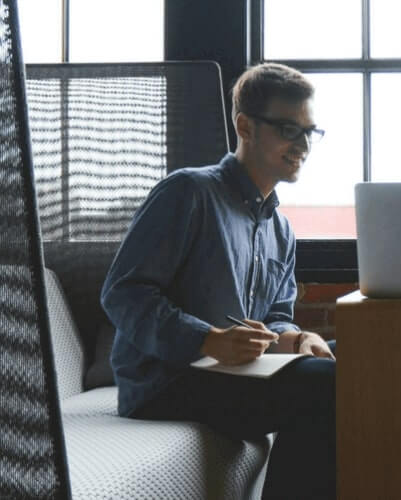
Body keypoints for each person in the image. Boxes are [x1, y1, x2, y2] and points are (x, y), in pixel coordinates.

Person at [100, 62, 336, 500]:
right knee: (325, 384)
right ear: (245, 126)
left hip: (233, 376)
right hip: (166, 383)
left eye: (310, 132)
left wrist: (295, 337)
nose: (303, 144)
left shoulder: (280, 230)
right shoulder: (187, 193)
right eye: (289, 129)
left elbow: (276, 318)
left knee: (361, 362)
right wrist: (207, 339)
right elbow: (122, 293)